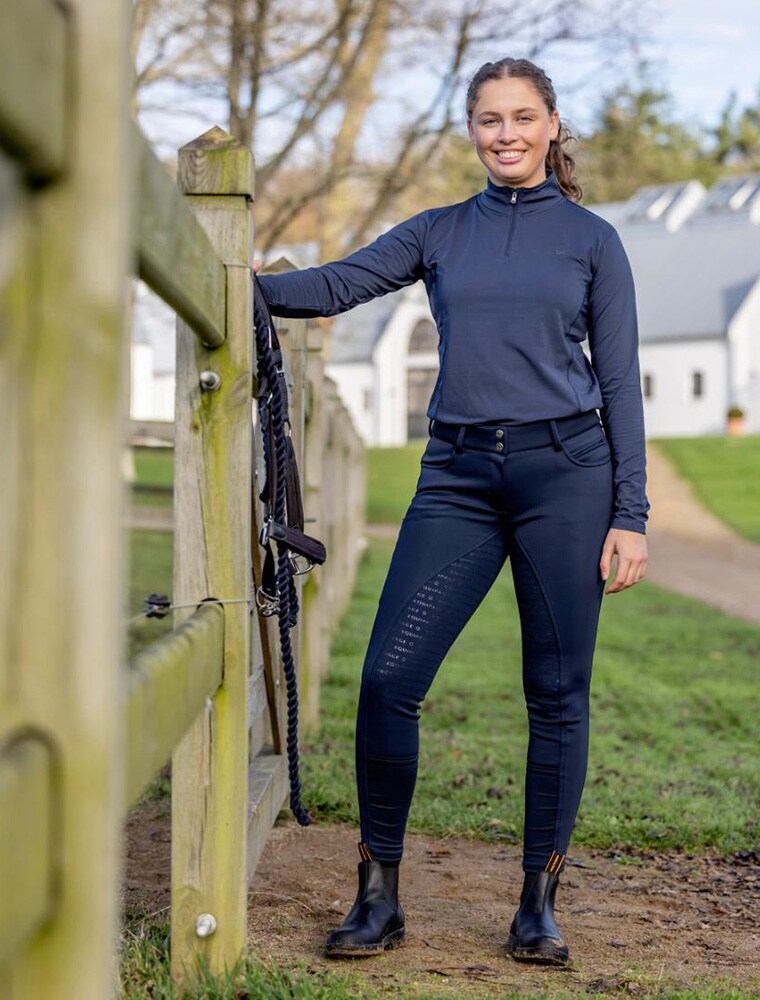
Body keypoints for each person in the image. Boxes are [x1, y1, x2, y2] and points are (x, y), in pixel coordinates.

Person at [255, 56, 650, 967]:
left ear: (552, 125)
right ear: (471, 131)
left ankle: (538, 904)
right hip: (458, 478)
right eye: (489, 120)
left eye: (522, 117)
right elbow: (341, 284)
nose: (506, 134)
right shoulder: (440, 231)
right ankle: (378, 896)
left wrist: (630, 513)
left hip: (567, 477)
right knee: (389, 679)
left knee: (557, 693)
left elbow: (621, 384)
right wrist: (243, 285)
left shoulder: (594, 242)